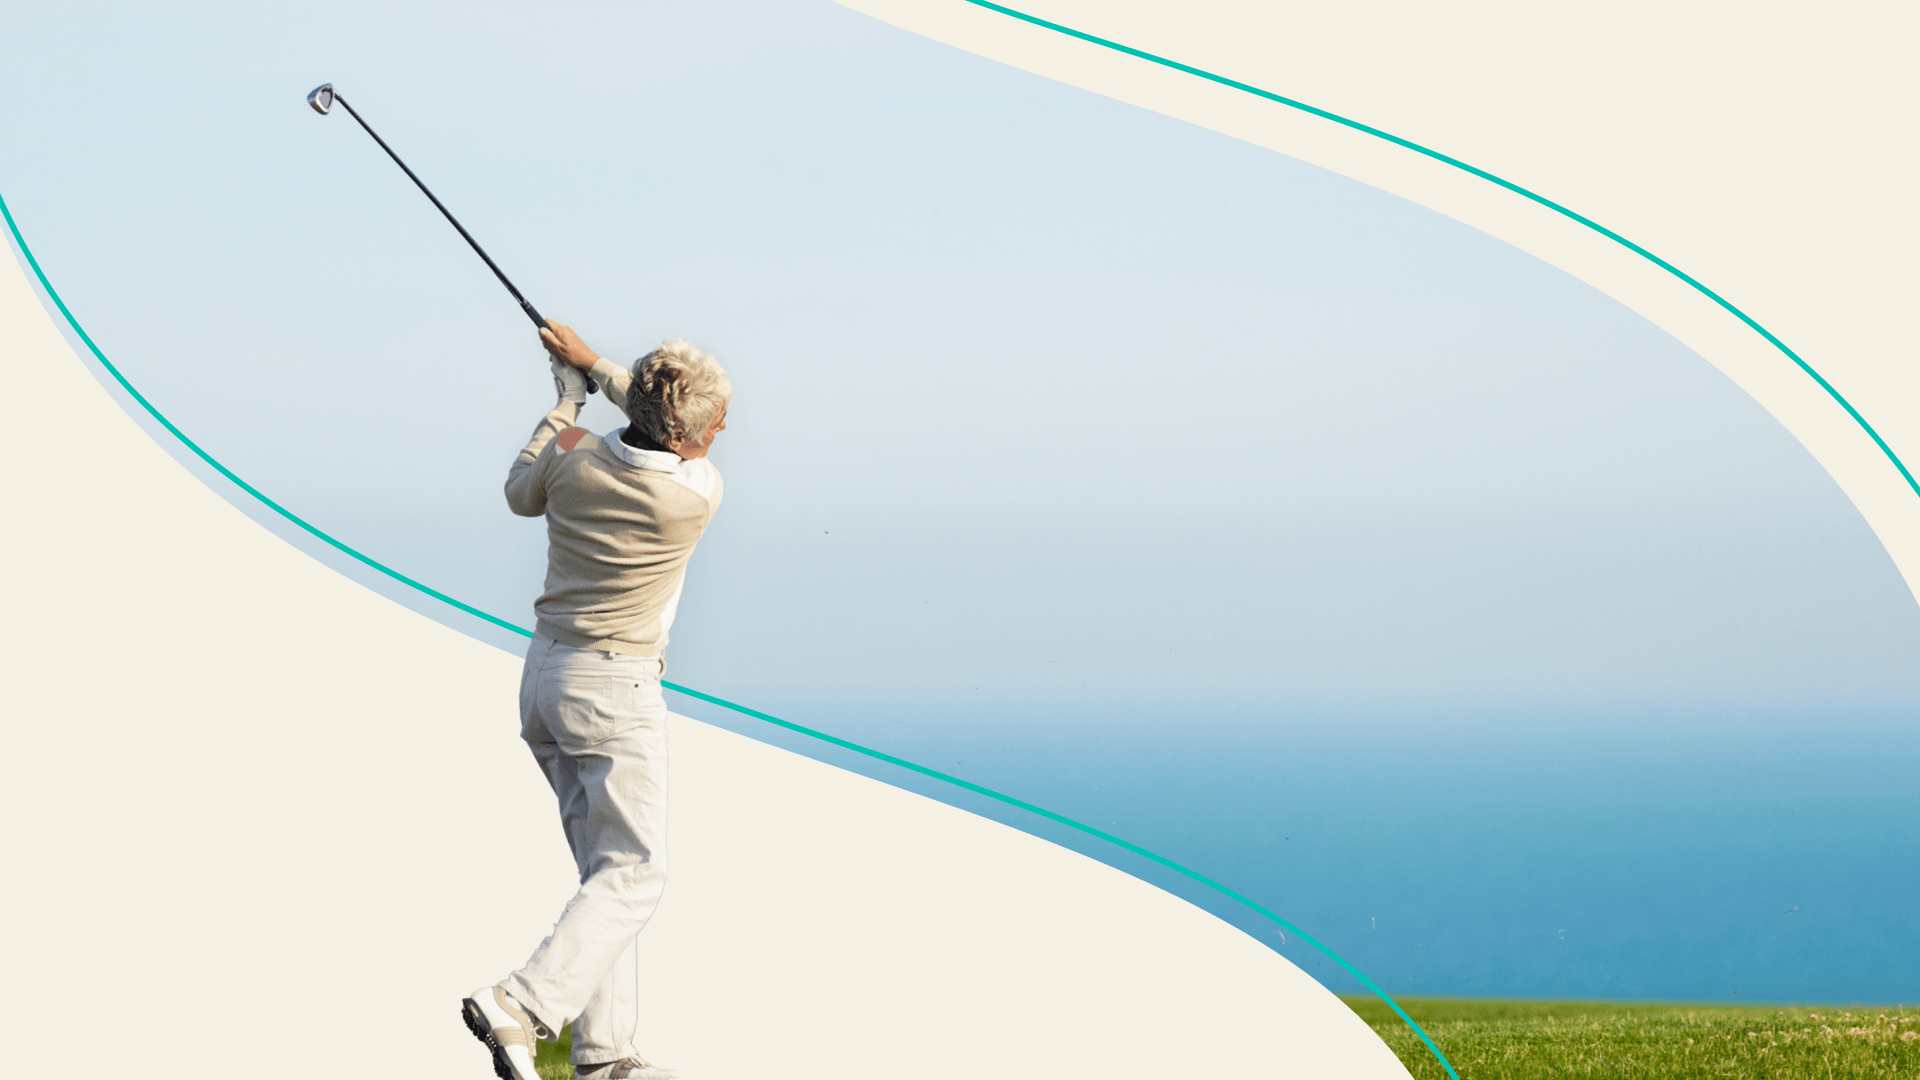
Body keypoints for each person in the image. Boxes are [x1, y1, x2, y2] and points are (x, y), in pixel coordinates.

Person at [462, 322, 730, 1080]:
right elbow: (655, 422)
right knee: (636, 873)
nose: (723, 431)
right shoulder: (692, 494)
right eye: (714, 422)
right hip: (616, 692)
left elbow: (522, 489)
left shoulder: (575, 460)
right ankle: (523, 1003)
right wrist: (597, 370)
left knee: (604, 878)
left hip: (545, 680)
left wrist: (567, 400)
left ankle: (604, 1057)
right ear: (687, 439)